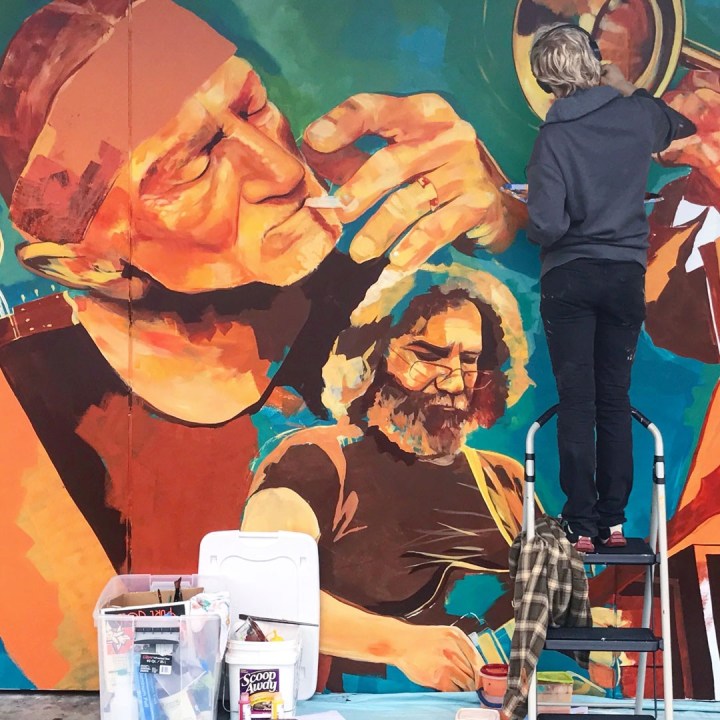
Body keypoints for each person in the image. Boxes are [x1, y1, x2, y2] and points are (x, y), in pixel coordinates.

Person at [0, 0, 527, 689]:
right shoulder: (23, 407)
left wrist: (503, 216)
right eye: (193, 166)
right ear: (87, 266)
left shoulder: (387, 260)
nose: (281, 168)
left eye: (252, 107)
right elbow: (102, 685)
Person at [242, 262, 533, 692]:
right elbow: (260, 589)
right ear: (373, 355)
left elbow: (551, 596)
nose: (455, 382)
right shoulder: (312, 461)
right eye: (429, 355)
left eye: (469, 361)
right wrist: (400, 645)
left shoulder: (504, 480)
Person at [525, 24, 696, 552]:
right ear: (593, 61)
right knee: (614, 399)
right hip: (624, 276)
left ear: (546, 80)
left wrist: (532, 206)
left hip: (570, 278)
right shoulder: (637, 115)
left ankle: (580, 526)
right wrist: (626, 88)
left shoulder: (553, 137)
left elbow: (547, 226)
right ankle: (615, 523)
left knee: (577, 401)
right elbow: (680, 125)